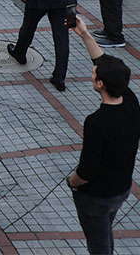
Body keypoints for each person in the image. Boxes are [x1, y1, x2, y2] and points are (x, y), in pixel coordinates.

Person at [68, 50, 139, 255]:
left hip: (96, 196)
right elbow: (103, 62)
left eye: (94, 73)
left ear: (100, 84)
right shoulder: (131, 103)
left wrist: (72, 182)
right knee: (104, 230)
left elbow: (88, 169)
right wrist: (83, 33)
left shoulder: (97, 122)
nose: (92, 74)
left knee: (98, 243)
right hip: (121, 188)